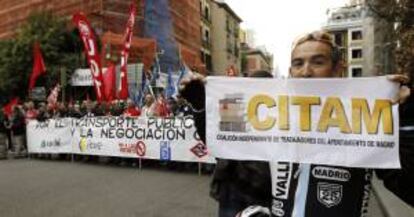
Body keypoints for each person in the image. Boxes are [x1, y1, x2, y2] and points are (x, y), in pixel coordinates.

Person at [180, 30, 412, 217]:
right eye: (298, 64)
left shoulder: (363, 120)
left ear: (337, 70)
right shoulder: (273, 118)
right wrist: (201, 106)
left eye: (317, 62)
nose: (306, 72)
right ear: (290, 72)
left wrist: (405, 119)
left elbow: (407, 185)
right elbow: (226, 145)